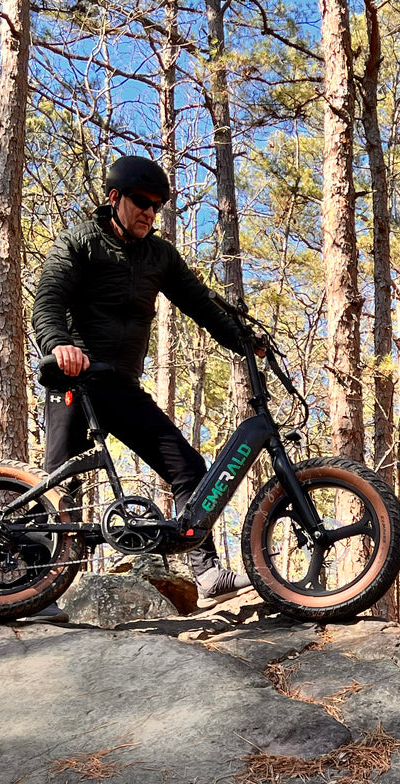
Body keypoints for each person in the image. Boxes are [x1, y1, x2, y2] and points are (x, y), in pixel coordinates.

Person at [30, 155, 254, 614]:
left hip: (122, 386)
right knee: (57, 485)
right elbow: (48, 298)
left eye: (158, 205)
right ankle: (32, 582)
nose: (150, 212)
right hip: (76, 378)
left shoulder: (159, 255)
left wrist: (244, 340)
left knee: (188, 466)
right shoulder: (80, 241)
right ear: (114, 199)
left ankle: (206, 569)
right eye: (141, 202)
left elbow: (201, 303)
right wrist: (59, 345)